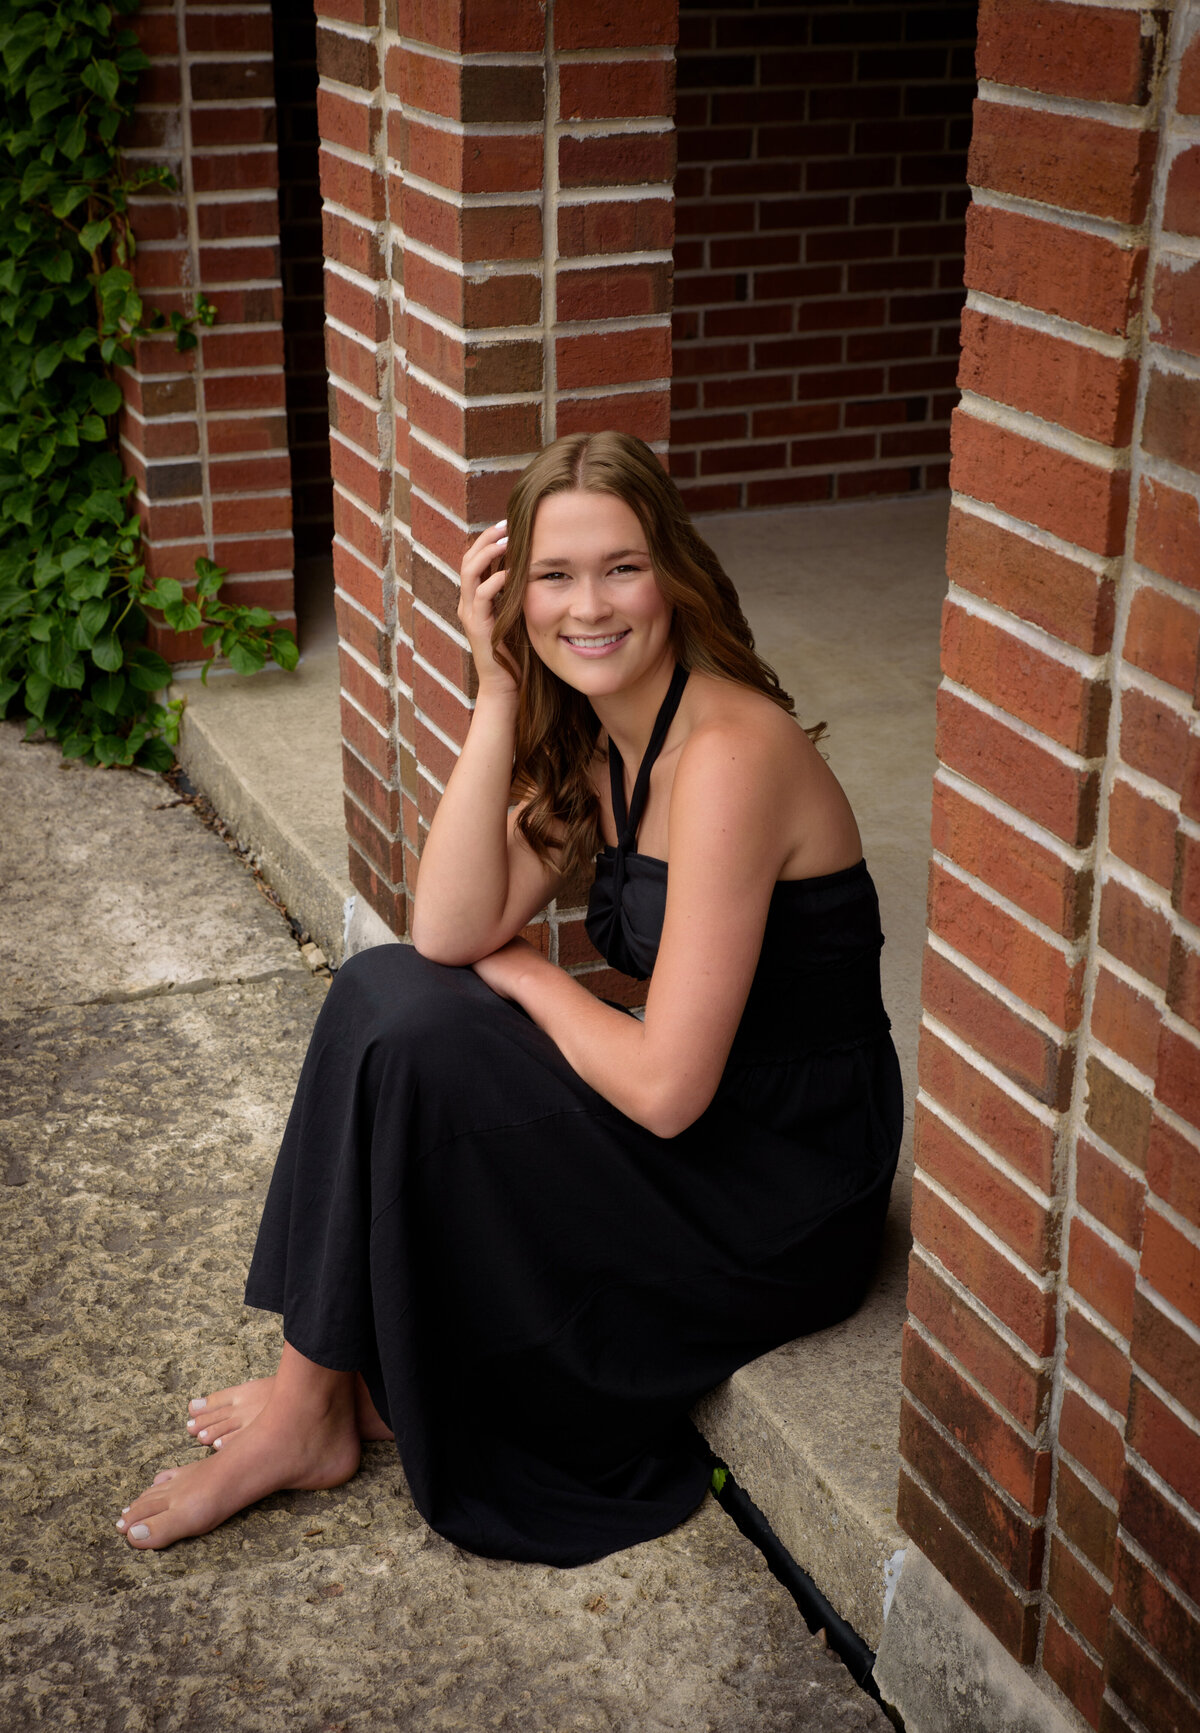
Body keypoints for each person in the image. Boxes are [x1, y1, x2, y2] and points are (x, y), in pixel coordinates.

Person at [116, 430, 903, 1562]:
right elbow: (443, 930)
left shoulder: (731, 753)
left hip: (778, 1184)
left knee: (412, 1023)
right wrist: (494, 691)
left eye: (622, 567)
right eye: (554, 575)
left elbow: (668, 1089)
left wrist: (531, 971)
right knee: (390, 996)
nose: (590, 606)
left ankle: (309, 1411)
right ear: (513, 595)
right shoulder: (604, 737)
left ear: (674, 574)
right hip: (710, 1126)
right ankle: (313, 1396)